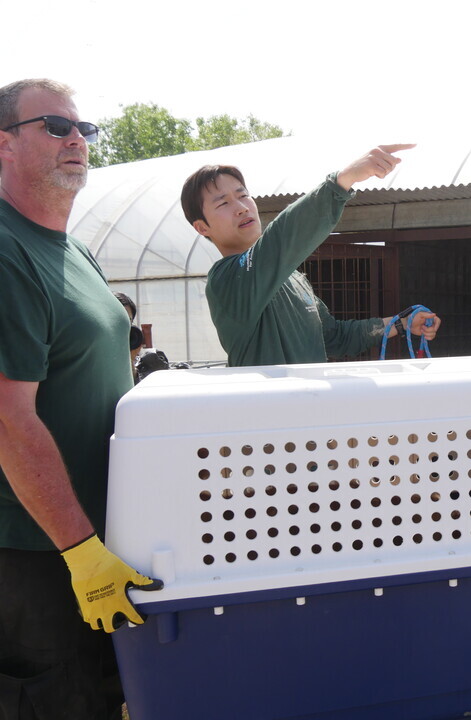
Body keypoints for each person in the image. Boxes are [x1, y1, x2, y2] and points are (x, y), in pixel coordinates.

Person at [0, 79, 161, 719]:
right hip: (37, 551)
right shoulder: (6, 250)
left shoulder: (74, 251)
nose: (77, 139)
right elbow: (8, 418)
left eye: (83, 129)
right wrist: (79, 551)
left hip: (95, 539)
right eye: (54, 126)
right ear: (4, 144)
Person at [180, 146, 441, 367]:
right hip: (269, 411)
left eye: (243, 195)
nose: (240, 207)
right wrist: (343, 180)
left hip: (310, 408)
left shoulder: (293, 278)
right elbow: (280, 238)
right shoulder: (226, 279)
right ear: (202, 228)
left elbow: (335, 337)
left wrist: (401, 323)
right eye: (223, 203)